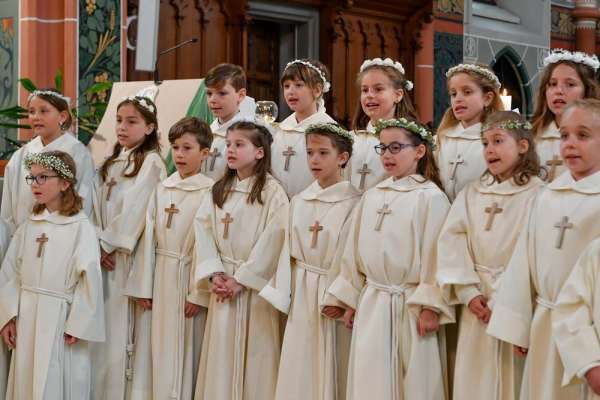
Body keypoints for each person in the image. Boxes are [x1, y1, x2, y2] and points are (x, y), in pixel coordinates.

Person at [327, 118, 453, 400]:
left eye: (396, 148)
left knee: (415, 383)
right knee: (370, 380)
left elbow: (438, 257)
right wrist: (351, 299)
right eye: (382, 148)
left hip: (411, 304)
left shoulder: (430, 198)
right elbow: (352, 252)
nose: (387, 155)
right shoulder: (373, 195)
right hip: (373, 302)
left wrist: (431, 306)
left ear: (419, 151)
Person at [487, 99, 600, 400]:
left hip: (591, 331)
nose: (570, 144)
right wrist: (518, 322)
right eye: (564, 135)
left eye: (583, 135)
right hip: (545, 324)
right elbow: (523, 260)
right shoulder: (548, 196)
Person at [436, 111, 543, 400]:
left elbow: (533, 253)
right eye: (484, 143)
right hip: (477, 303)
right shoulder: (472, 193)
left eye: (498, 141)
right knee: (475, 381)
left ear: (522, 146)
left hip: (516, 304)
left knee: (512, 379)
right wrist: (468, 292)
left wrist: (504, 300)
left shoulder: (538, 195)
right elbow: (452, 240)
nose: (490, 150)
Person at [193, 121, 290, 400]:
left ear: (260, 152)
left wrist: (242, 280)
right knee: (221, 356)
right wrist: (215, 273)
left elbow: (275, 238)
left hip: (253, 290)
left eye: (239, 144)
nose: (231, 150)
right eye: (228, 145)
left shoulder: (272, 192)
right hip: (223, 285)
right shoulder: (219, 189)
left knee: (257, 357)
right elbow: (203, 230)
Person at [0, 151, 104, 400]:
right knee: (26, 380)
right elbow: (10, 273)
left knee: (54, 381)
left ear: (65, 183)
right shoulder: (29, 225)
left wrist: (79, 324)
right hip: (26, 315)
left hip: (59, 318)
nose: (35, 184)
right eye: (32, 178)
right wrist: (8, 317)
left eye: (43, 177)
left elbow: (90, 279)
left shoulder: (80, 227)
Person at [275, 122, 360, 400]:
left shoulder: (354, 202)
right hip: (301, 291)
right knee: (300, 362)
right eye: (310, 153)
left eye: (323, 153)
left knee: (334, 361)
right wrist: (285, 293)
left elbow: (352, 254)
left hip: (331, 293)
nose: (314, 160)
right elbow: (286, 251)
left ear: (342, 158)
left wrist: (341, 297)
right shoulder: (300, 200)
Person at [91, 96, 167, 400]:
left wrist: (108, 243)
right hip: (102, 257)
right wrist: (97, 243)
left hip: (126, 258)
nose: (122, 127)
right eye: (119, 120)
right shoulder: (110, 163)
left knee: (122, 332)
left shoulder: (151, 163)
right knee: (102, 332)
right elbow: (92, 205)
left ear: (149, 127)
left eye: (132, 121)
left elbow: (138, 208)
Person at [1, 89, 95, 233]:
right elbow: (8, 208)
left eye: (43, 111)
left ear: (62, 116)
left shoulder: (78, 154)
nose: (36, 117)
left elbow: (85, 200)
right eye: (31, 112)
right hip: (23, 237)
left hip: (64, 235)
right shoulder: (21, 156)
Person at [347, 57, 418, 192]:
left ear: (398, 95)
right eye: (365, 90)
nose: (369, 95)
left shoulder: (409, 140)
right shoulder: (350, 139)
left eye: (378, 89)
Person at [436, 64, 504, 201]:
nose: (458, 99)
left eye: (467, 92)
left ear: (487, 98)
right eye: (453, 94)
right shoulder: (441, 139)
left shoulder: (497, 141)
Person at [531, 49, 600, 182]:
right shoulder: (532, 135)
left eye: (570, 84)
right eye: (553, 84)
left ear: (587, 90)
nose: (559, 91)